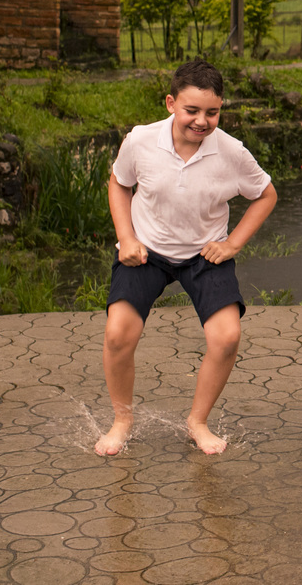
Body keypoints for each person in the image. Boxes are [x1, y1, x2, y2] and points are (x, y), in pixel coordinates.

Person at [96, 59, 277, 456]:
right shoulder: (141, 140)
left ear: (221, 109)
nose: (201, 121)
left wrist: (232, 244)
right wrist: (125, 237)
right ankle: (122, 420)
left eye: (212, 112)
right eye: (191, 110)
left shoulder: (231, 152)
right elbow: (119, 183)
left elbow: (266, 195)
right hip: (146, 251)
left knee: (227, 337)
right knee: (117, 334)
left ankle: (197, 422)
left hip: (204, 254)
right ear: (170, 104)